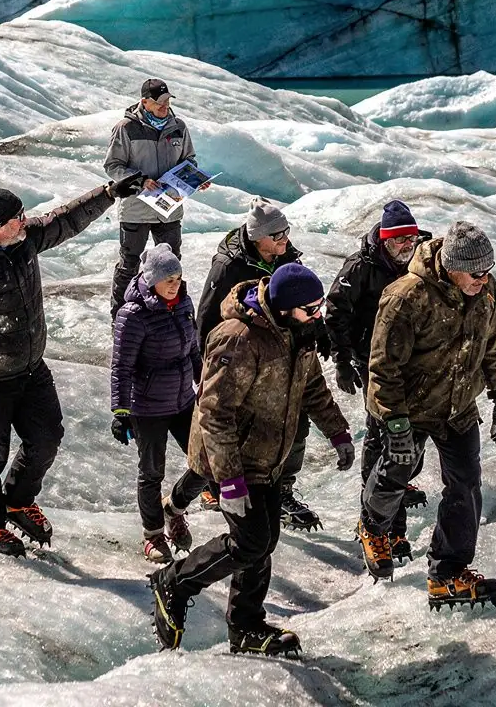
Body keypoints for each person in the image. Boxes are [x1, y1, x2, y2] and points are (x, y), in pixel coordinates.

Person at [149, 262, 355, 657]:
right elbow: (214, 413)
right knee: (251, 541)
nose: (318, 315)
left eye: (320, 307)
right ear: (283, 308)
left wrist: (338, 431)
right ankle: (174, 582)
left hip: (268, 454)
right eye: (310, 309)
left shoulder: (298, 333)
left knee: (265, 540)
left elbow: (312, 386)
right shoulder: (238, 339)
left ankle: (245, 627)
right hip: (232, 458)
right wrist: (229, 480)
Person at [0, 177, 139, 556]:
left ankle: (18, 500)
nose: (24, 222)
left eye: (22, 215)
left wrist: (109, 193)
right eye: (16, 218)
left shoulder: (22, 240)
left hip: (30, 367)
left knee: (46, 438)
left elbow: (65, 219)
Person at [359, 220, 496, 610]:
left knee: (465, 484)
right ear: (453, 266)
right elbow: (383, 366)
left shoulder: (485, 291)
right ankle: (373, 527)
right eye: (477, 273)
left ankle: (448, 572)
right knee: (397, 472)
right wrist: (393, 421)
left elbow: (493, 344)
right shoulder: (406, 296)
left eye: (488, 271)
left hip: (458, 405)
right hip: (409, 408)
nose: (484, 279)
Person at [196, 195, 328, 530]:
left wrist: (316, 328)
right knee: (237, 428)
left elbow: (301, 300)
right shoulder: (229, 268)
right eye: (278, 234)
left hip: (283, 354)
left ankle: (282, 489)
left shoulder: (287, 256)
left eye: (286, 232)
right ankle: (211, 485)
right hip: (243, 360)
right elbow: (208, 317)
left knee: (294, 425)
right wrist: (212, 365)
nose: (286, 239)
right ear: (258, 238)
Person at [326, 198, 432, 560]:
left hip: (415, 362)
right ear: (384, 240)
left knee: (411, 444)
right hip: (374, 363)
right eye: (400, 240)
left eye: (412, 238)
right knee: (385, 442)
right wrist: (342, 359)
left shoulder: (423, 259)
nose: (408, 246)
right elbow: (336, 312)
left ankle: (389, 502)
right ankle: (386, 527)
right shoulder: (360, 267)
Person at [110, 243, 207, 562]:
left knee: (207, 458)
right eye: (169, 278)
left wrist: (205, 385)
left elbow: (193, 350)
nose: (175, 283)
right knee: (152, 471)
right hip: (147, 406)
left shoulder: (183, 303)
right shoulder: (133, 315)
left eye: (178, 276)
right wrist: (121, 411)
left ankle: (175, 508)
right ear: (151, 279)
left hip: (183, 399)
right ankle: (153, 536)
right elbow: (121, 365)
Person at [104, 78, 201, 319]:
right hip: (136, 209)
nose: (165, 106)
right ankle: (120, 318)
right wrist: (140, 181)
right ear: (144, 102)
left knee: (171, 265)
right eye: (159, 102)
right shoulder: (126, 128)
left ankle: (171, 314)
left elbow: (189, 160)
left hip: (169, 208)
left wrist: (194, 178)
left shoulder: (178, 126)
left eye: (168, 101)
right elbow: (113, 166)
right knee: (129, 265)